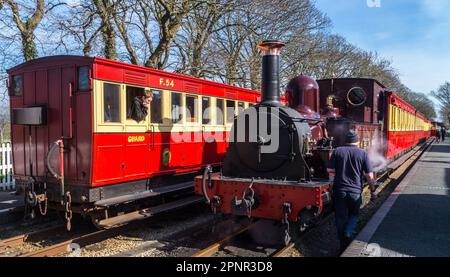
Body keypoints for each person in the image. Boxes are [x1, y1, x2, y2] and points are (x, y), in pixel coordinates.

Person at [327, 130, 377, 251]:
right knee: (354, 214)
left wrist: (332, 186)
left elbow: (330, 170)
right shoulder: (363, 154)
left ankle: (342, 243)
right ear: (357, 141)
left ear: (346, 141)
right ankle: (348, 232)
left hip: (340, 190)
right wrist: (373, 191)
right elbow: (370, 176)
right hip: (355, 191)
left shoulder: (337, 151)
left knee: (340, 217)